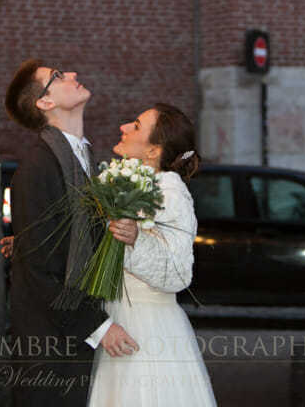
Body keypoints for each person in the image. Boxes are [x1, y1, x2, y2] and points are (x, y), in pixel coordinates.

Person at [3, 59, 140, 407]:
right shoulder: (37, 168)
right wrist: (100, 327)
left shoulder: (88, 161)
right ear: (45, 103)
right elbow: (39, 270)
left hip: (73, 337)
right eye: (58, 77)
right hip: (49, 344)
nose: (74, 75)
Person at [87, 103, 217, 407]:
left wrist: (134, 242)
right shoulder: (127, 185)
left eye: (135, 125)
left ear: (152, 151)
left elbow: (179, 274)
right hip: (117, 318)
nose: (123, 128)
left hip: (146, 327)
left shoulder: (171, 195)